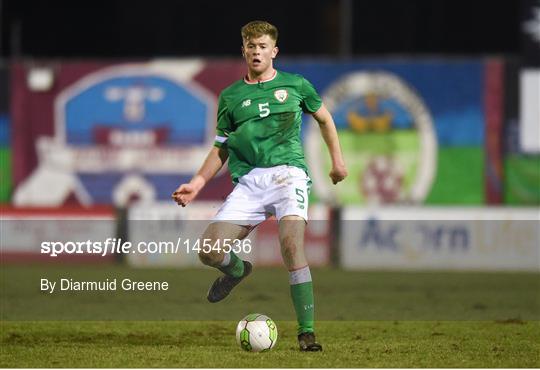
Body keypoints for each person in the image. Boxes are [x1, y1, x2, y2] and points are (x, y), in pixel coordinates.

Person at [172, 20, 347, 352]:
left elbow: (324, 117)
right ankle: (237, 271)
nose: (256, 52)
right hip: (250, 182)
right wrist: (197, 182)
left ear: (274, 51)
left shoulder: (296, 86)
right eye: (251, 46)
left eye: (263, 46)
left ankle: (306, 332)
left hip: (288, 175)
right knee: (209, 251)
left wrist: (336, 161)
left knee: (291, 247)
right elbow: (221, 147)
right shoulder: (231, 97)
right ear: (244, 50)